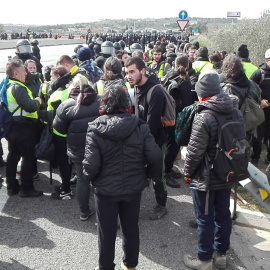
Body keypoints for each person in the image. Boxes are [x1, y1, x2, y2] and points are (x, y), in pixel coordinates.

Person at [83, 84, 162, 270]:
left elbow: (91, 164)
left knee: (106, 231)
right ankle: (130, 265)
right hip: (133, 187)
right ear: (127, 103)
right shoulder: (140, 126)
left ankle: (105, 267)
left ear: (105, 104)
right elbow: (156, 156)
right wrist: (149, 176)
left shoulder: (95, 129)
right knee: (131, 227)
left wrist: (90, 178)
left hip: (105, 190)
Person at [183, 70, 237, 270]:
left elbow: (195, 152)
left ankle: (204, 259)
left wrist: (188, 174)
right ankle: (221, 255)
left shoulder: (204, 116)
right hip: (228, 172)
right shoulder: (234, 109)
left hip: (206, 177)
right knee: (223, 215)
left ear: (203, 93)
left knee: (205, 218)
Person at [125, 56, 168, 220]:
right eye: (127, 72)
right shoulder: (136, 87)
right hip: (140, 139)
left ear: (143, 71)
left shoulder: (155, 91)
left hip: (155, 142)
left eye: (132, 72)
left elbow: (152, 124)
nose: (129, 76)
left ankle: (161, 205)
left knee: (158, 177)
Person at [53, 74, 100, 220]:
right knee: (101, 179)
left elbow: (58, 129)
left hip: (77, 149)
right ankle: (103, 214)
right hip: (99, 147)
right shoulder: (100, 101)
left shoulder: (66, 105)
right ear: (89, 85)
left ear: (72, 87)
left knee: (82, 179)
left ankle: (84, 212)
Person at [5, 59, 43, 197]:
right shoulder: (18, 87)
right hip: (22, 127)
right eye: (23, 70)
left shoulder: (9, 85)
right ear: (16, 73)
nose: (26, 73)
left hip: (14, 126)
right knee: (28, 157)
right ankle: (27, 188)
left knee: (13, 156)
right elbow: (30, 106)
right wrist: (38, 100)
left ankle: (12, 186)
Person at [221, 54, 266, 166]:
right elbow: (258, 100)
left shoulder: (227, 88)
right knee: (245, 149)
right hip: (249, 125)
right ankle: (243, 168)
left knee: (232, 154)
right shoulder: (252, 84)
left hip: (233, 127)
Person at [163, 54, 193, 188]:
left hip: (165, 115)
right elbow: (186, 104)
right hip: (177, 118)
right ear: (187, 66)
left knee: (168, 143)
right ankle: (166, 172)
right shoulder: (184, 80)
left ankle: (166, 168)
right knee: (174, 145)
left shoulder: (168, 76)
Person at [250, 48, 270, 164]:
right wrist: (260, 101)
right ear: (267, 60)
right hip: (260, 111)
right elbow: (249, 91)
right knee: (258, 136)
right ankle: (255, 158)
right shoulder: (259, 73)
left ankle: (268, 158)